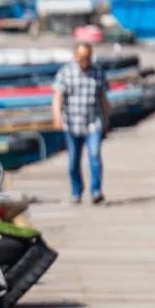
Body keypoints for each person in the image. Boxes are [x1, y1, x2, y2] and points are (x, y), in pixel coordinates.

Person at [52, 42, 110, 204]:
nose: (84, 60)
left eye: (87, 57)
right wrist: (57, 117)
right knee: (73, 161)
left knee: (94, 156)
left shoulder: (98, 72)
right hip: (72, 123)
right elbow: (58, 97)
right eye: (81, 57)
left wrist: (107, 119)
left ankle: (96, 191)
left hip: (93, 122)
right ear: (76, 56)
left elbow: (103, 98)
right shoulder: (66, 72)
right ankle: (76, 191)